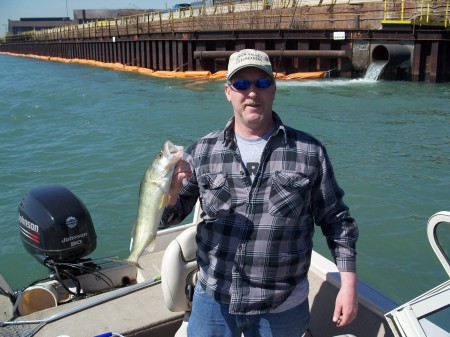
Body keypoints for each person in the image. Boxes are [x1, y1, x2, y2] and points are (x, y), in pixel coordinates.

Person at [161, 49, 359, 337]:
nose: (252, 92)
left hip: (282, 308)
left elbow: (337, 221)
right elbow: (166, 219)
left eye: (261, 83)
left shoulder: (309, 151)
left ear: (274, 90)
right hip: (213, 300)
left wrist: (349, 286)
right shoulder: (202, 151)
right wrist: (169, 195)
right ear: (228, 92)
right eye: (241, 84)